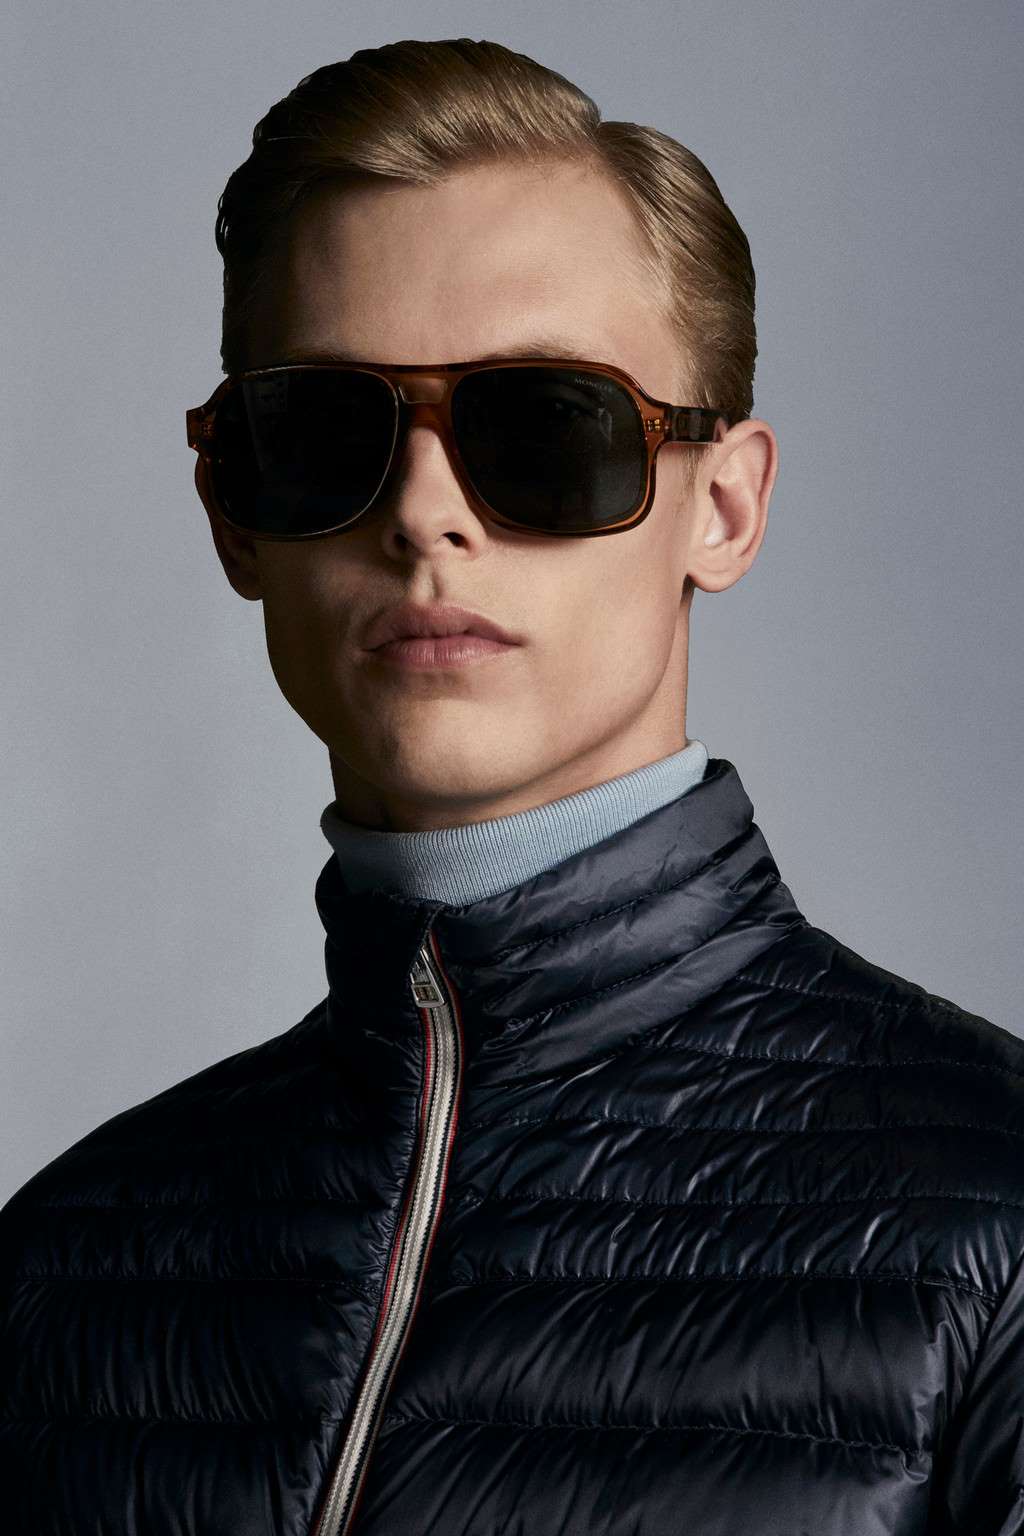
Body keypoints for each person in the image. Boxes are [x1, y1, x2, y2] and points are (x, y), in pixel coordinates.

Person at [2, 35, 1021, 1536]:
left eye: (546, 427)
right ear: (231, 513)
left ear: (723, 506)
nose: (426, 512)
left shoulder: (998, 1227)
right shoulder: (61, 1267)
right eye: (324, 433)